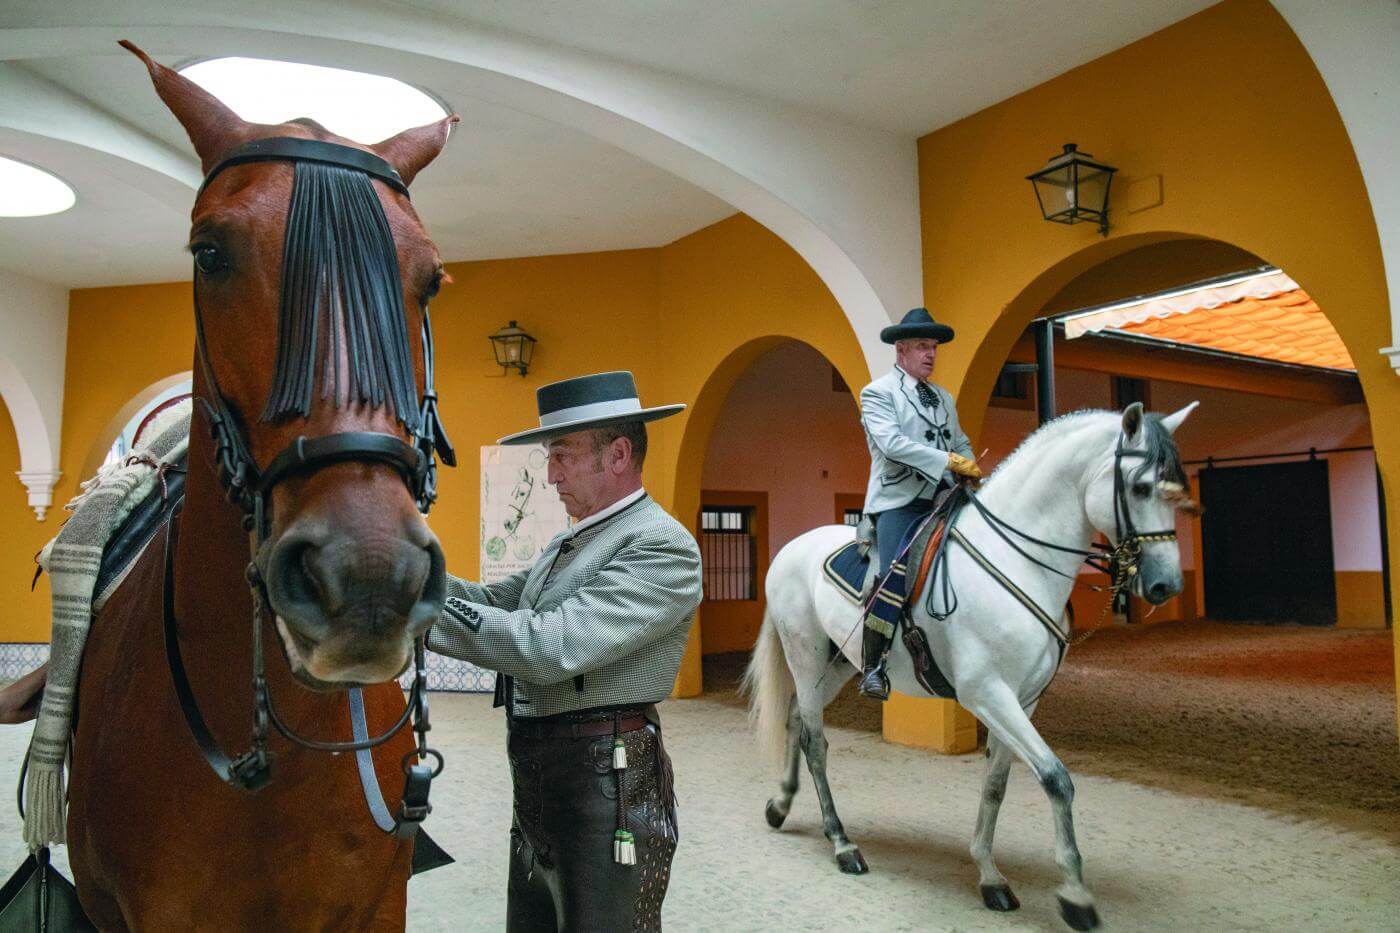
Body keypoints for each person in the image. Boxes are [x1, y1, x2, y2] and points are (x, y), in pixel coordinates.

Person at [427, 371, 702, 932]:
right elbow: (493, 601)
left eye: (561, 457)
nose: (549, 476)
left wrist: (412, 612)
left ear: (619, 454)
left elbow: (548, 647)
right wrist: (411, 571)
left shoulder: (662, 544)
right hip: (543, 782)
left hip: (605, 789)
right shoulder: (572, 539)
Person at [857, 308, 981, 701]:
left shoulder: (942, 396)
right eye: (923, 347)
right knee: (894, 572)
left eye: (934, 348)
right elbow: (892, 445)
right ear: (902, 350)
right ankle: (874, 666)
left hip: (945, 498)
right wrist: (946, 461)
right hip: (900, 501)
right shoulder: (878, 393)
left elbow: (958, 442)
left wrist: (971, 466)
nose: (931, 354)